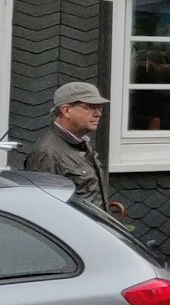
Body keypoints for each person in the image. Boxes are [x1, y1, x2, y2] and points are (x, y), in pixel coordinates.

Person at [25, 81, 118, 215]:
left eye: (100, 108)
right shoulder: (47, 153)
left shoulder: (81, 142)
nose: (98, 114)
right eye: (91, 107)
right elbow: (42, 211)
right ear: (66, 111)